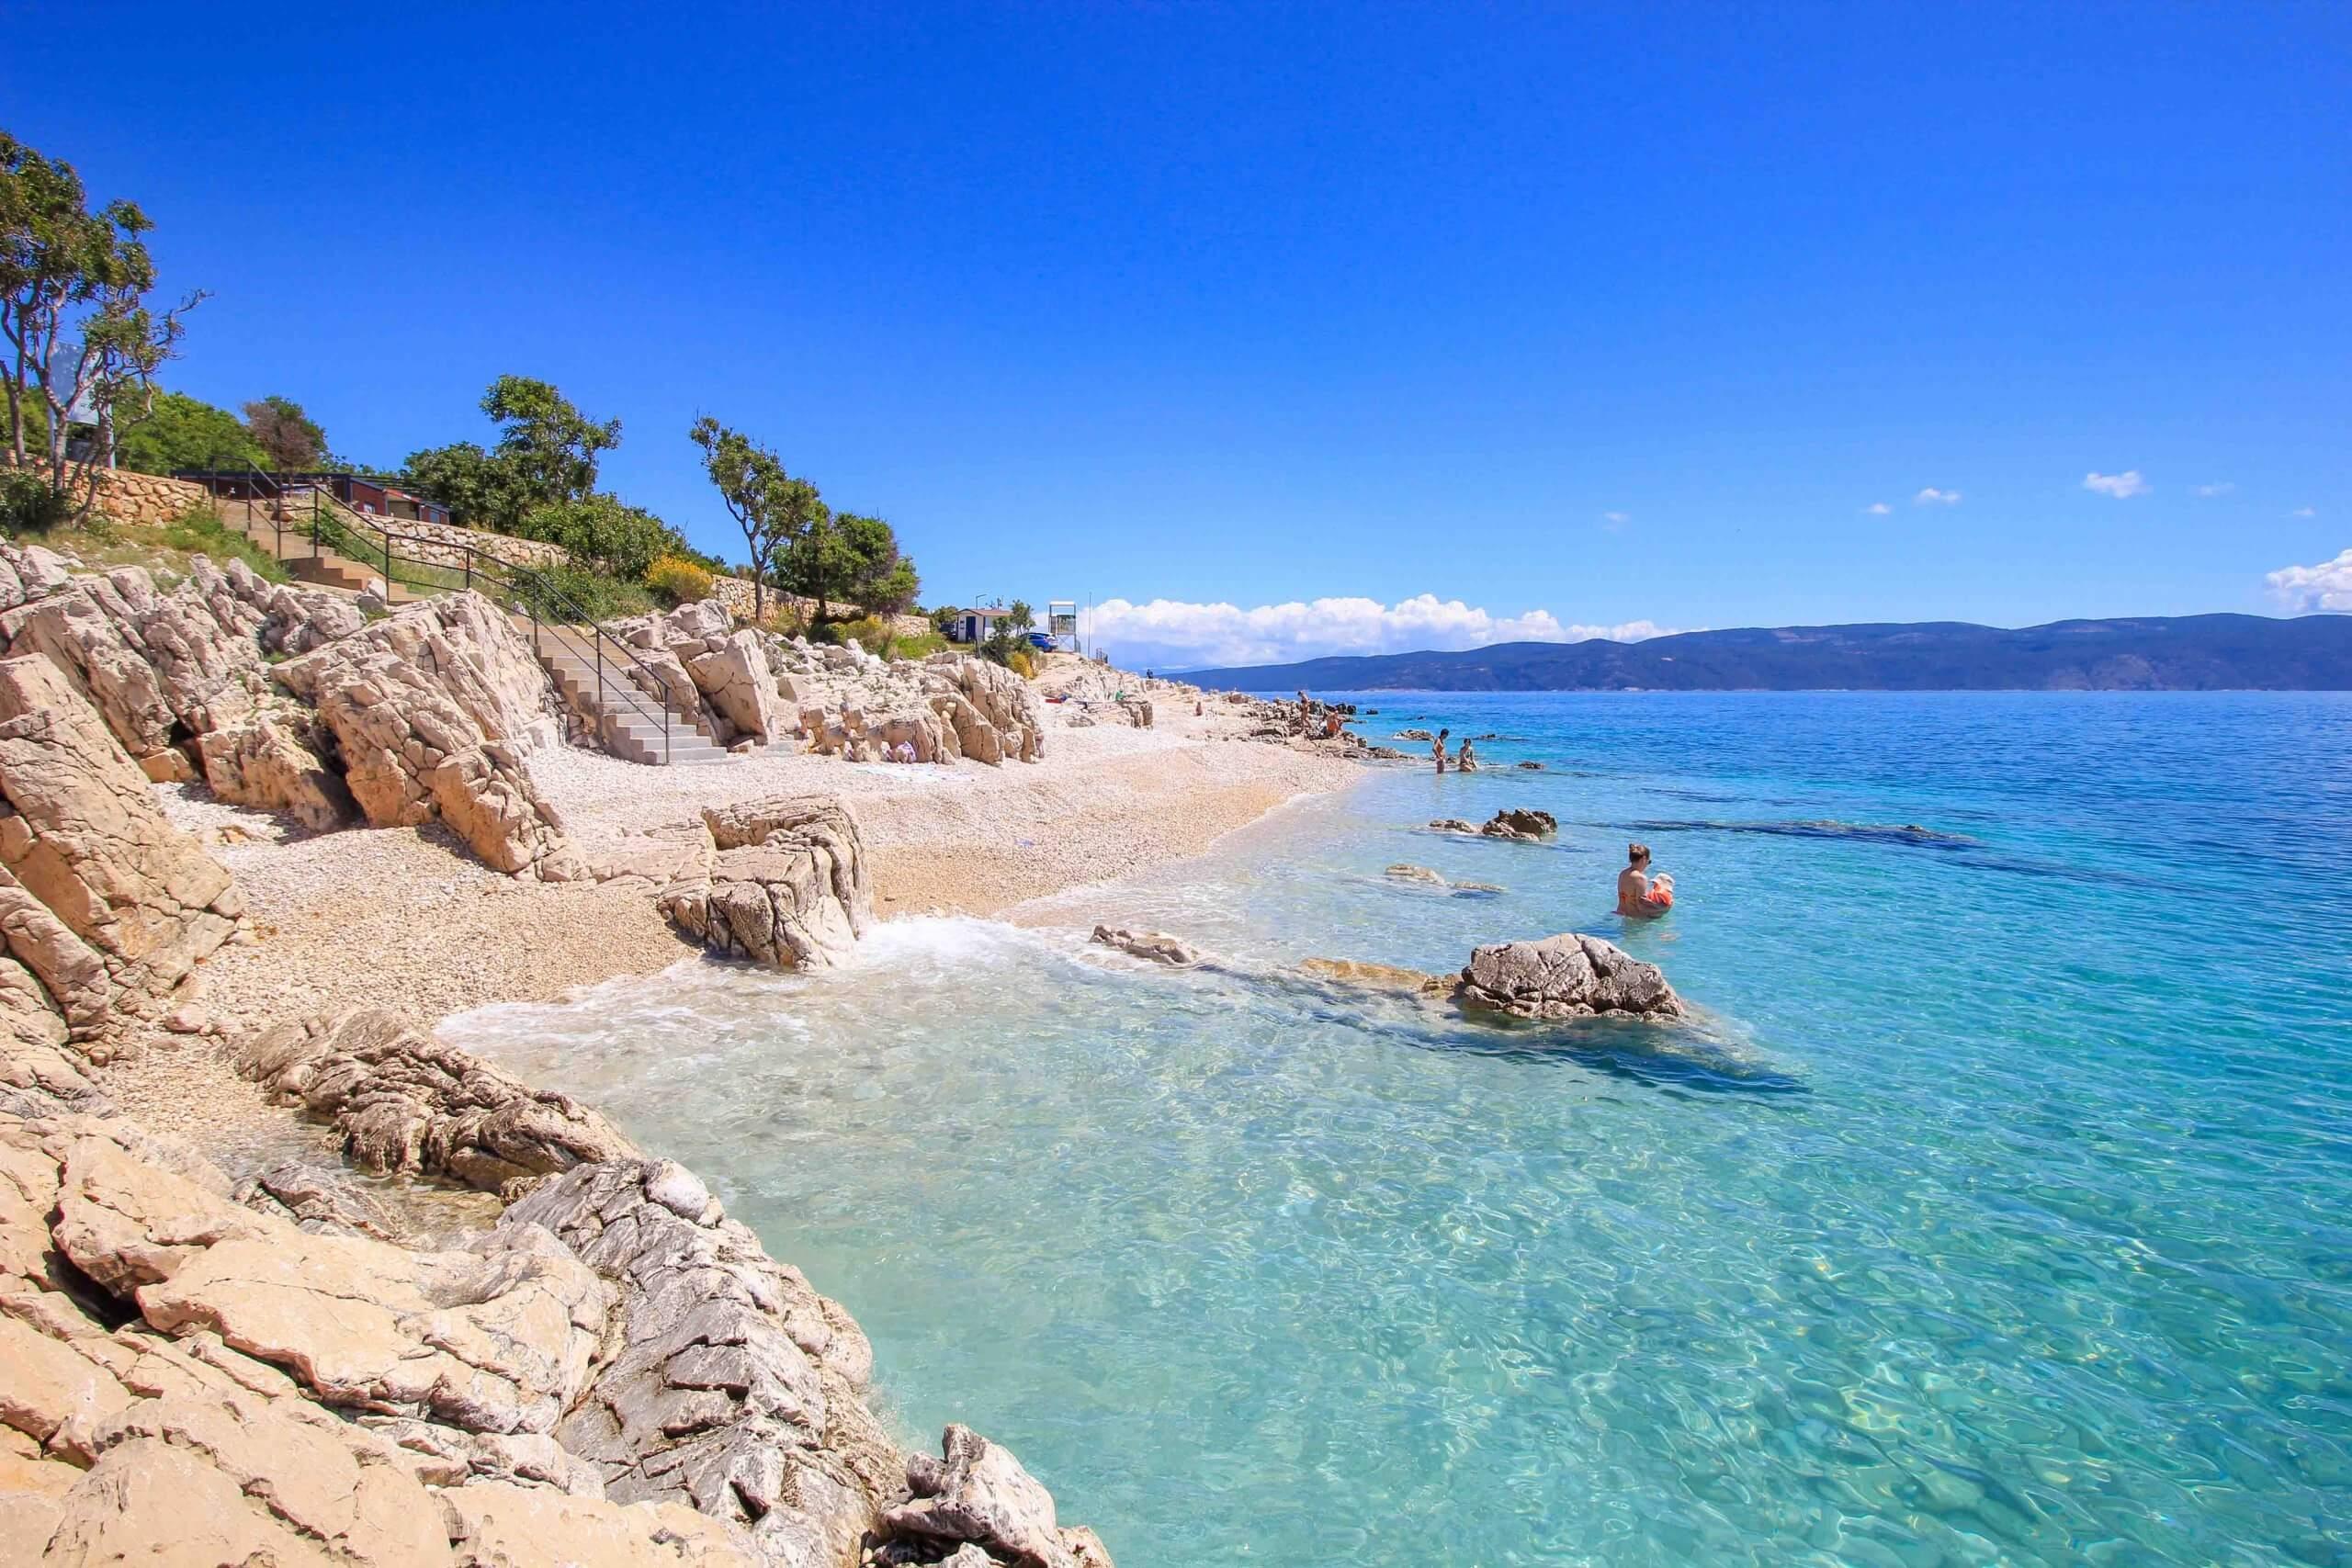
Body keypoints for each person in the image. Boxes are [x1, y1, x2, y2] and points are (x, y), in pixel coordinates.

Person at [1617, 842, 1676, 918]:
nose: (1647, 865)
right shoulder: (1641, 878)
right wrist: (1665, 909)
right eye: (1649, 862)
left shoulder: (1622, 874)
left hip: (1623, 915)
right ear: (1644, 859)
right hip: (1638, 920)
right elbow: (1642, 907)